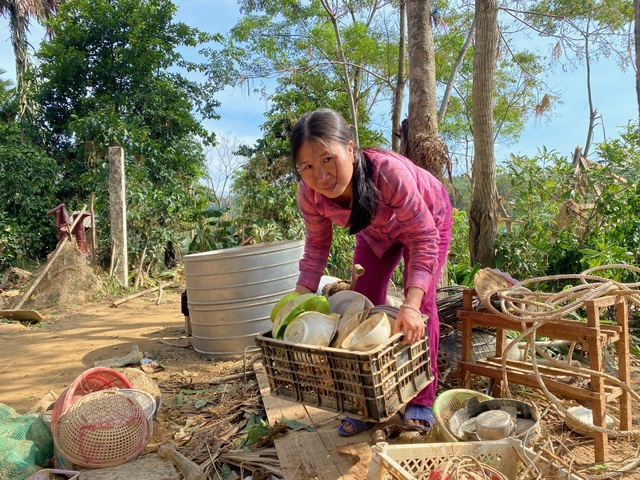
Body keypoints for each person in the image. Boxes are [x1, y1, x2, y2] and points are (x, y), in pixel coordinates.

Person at [290, 108, 453, 435]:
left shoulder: (389, 173)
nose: (320, 176)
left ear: (350, 149)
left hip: (427, 224)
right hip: (375, 233)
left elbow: (423, 238)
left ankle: (420, 398)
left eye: (327, 159)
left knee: (419, 308)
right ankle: (363, 399)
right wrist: (299, 301)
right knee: (358, 306)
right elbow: (317, 247)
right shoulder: (310, 196)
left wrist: (409, 304)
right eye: (307, 166)